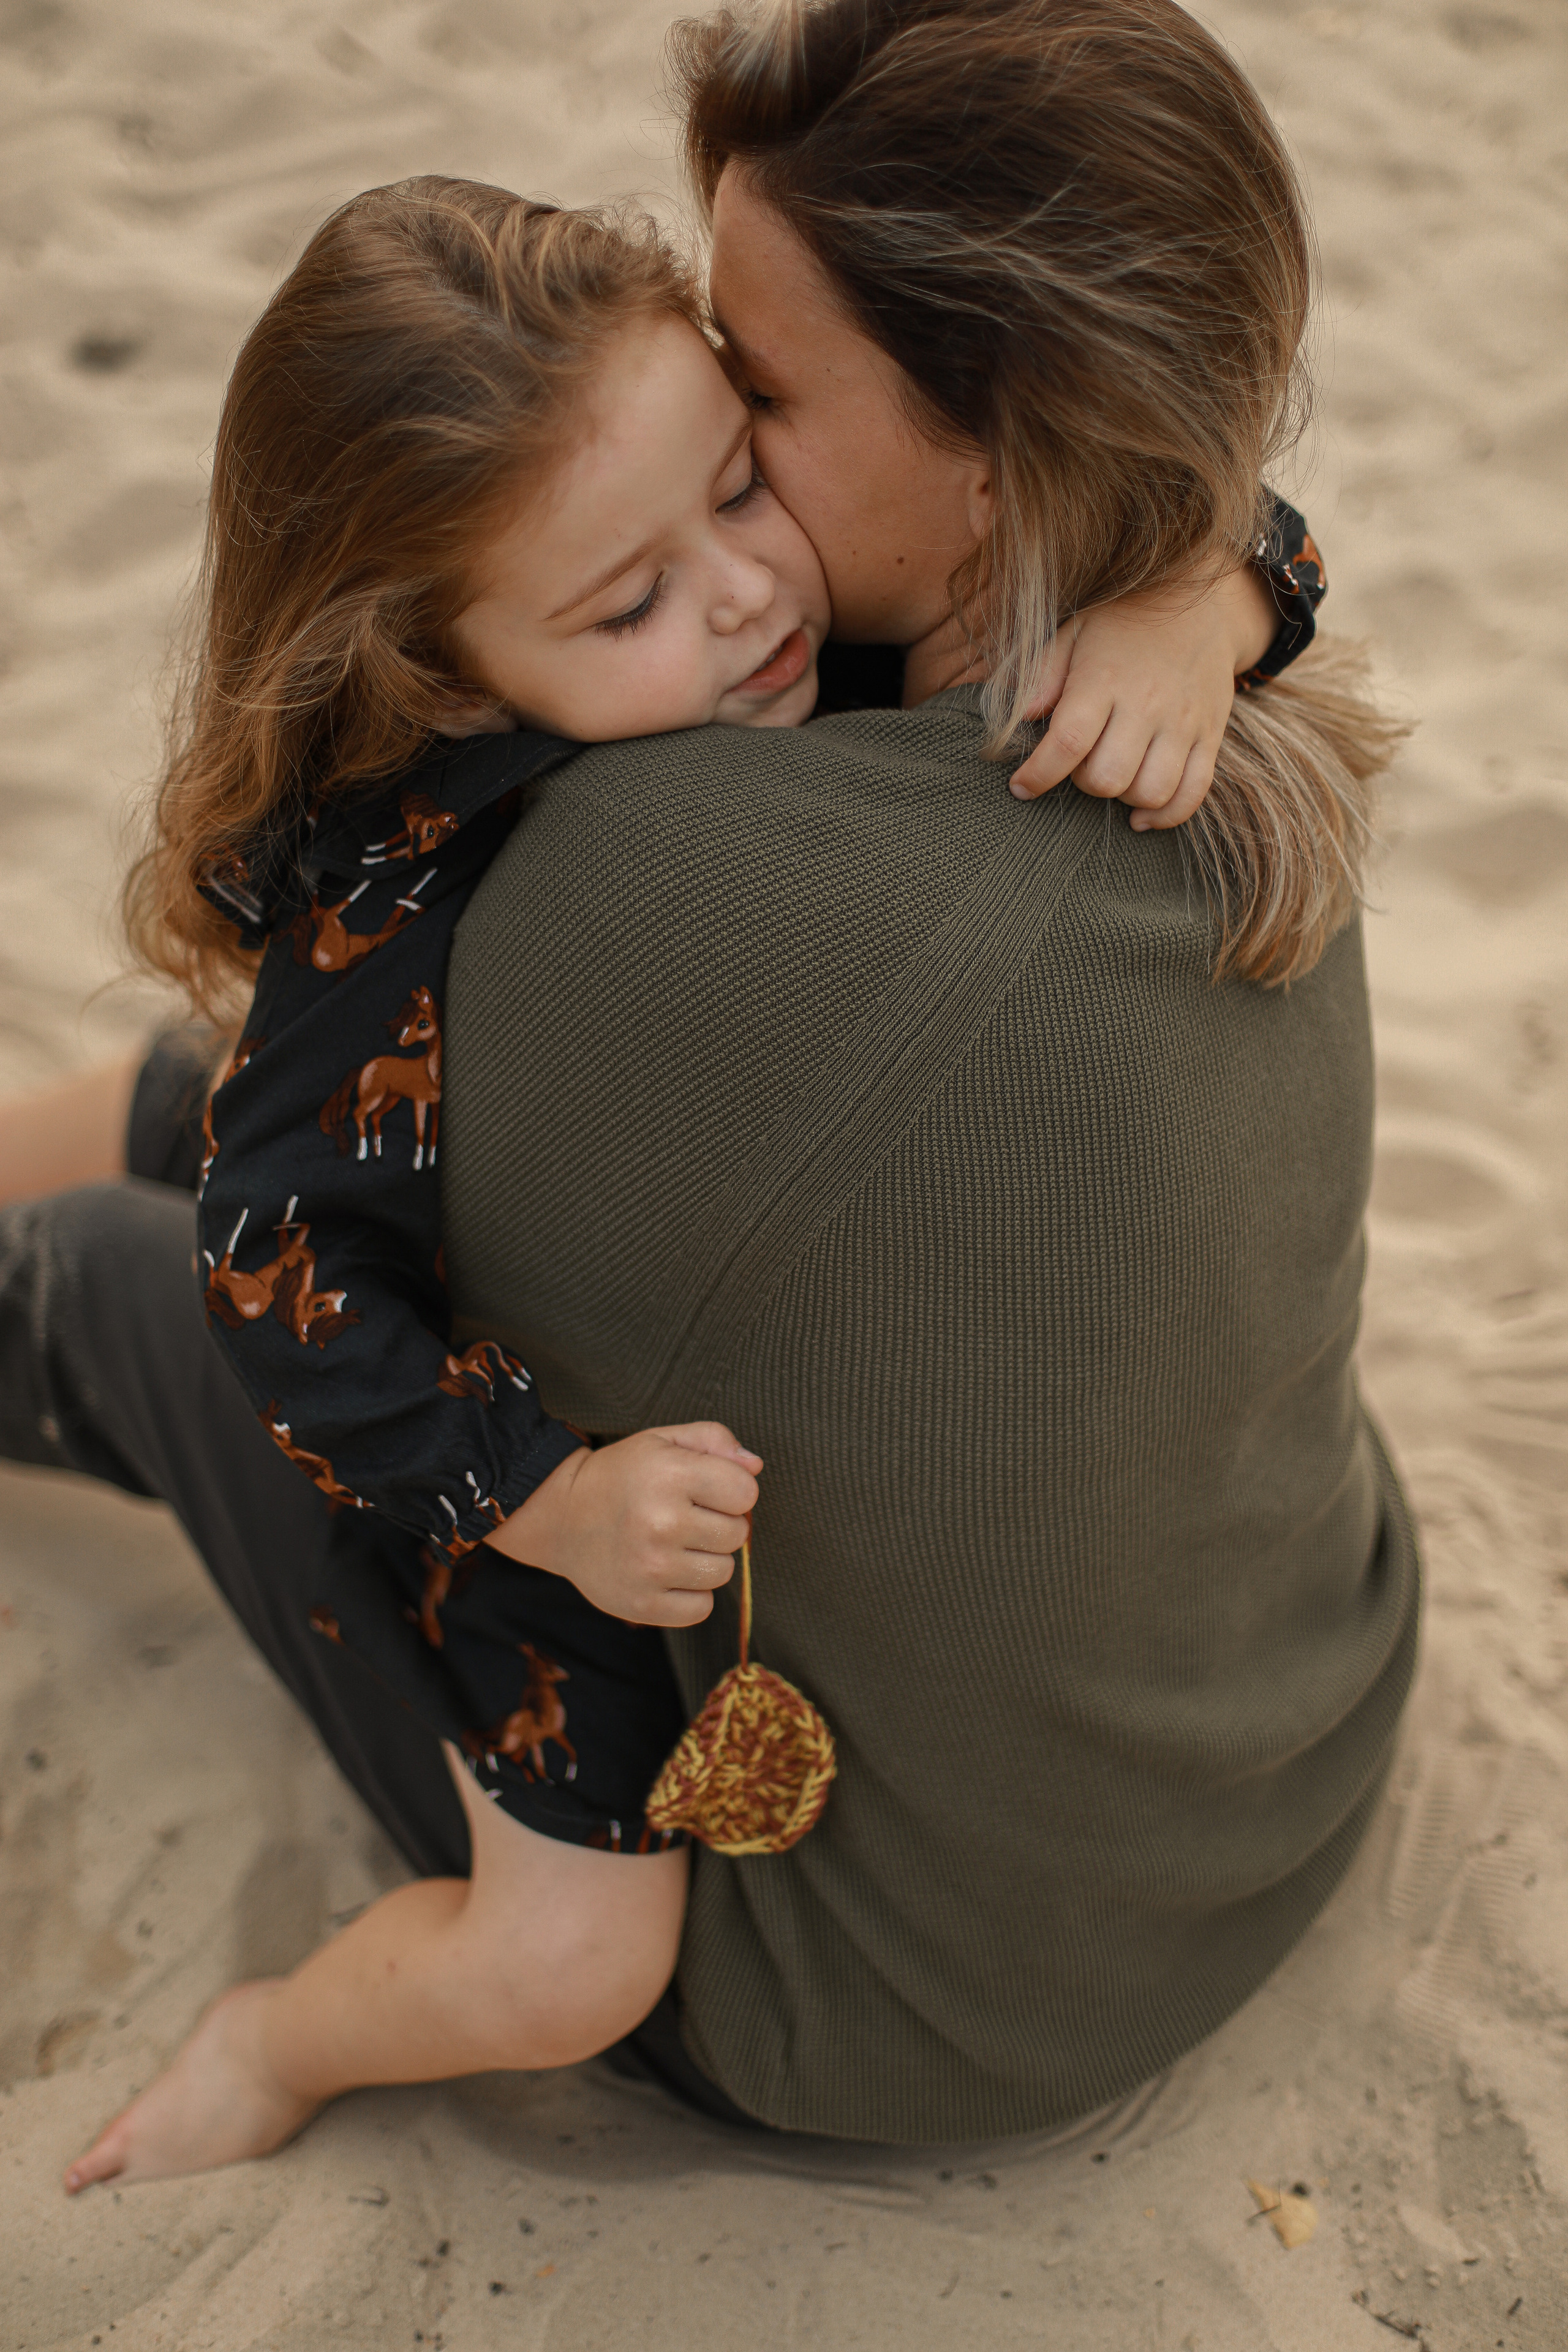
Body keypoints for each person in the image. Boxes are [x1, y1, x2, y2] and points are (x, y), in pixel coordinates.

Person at [0, 0, 1405, 2169]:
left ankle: (285, 2036)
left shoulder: (657, 880)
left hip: (888, 2003)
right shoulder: (1195, 734)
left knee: (133, 1253)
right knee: (307, 1105)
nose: (728, 537)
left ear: (993, 453)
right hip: (1285, 1748)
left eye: (757, 407)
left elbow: (324, 1277)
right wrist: (1213, 598)